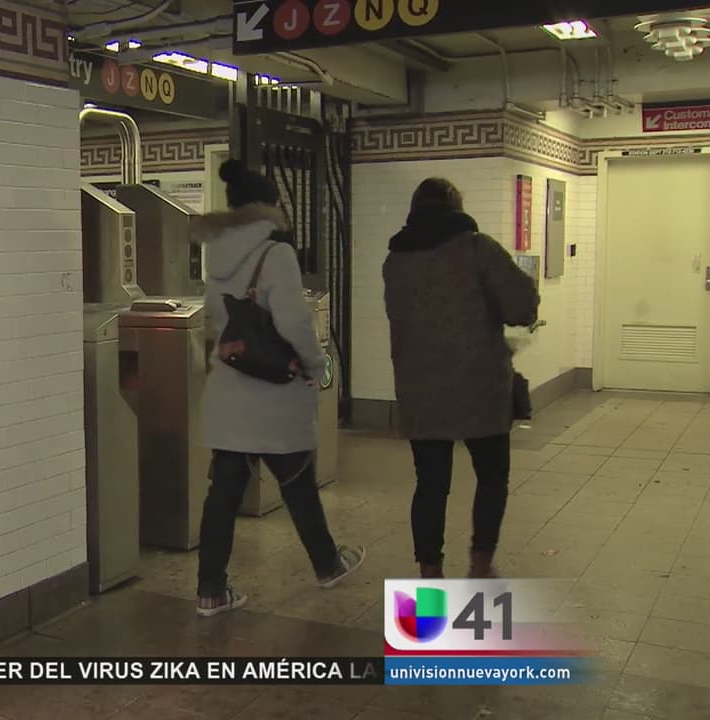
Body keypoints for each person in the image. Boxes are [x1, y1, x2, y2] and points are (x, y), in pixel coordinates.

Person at [190, 159, 365, 617]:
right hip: (271, 393)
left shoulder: (219, 256)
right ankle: (328, 564)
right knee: (296, 481)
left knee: (223, 493)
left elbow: (219, 321)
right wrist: (316, 365)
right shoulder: (276, 254)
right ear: (269, 208)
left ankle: (211, 589)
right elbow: (294, 323)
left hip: (229, 389)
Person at [383, 178, 540, 580]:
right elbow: (522, 305)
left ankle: (430, 574)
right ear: (455, 206)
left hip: (420, 389)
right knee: (492, 475)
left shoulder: (395, 260)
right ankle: (480, 565)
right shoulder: (476, 248)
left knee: (430, 486)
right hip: (480, 388)